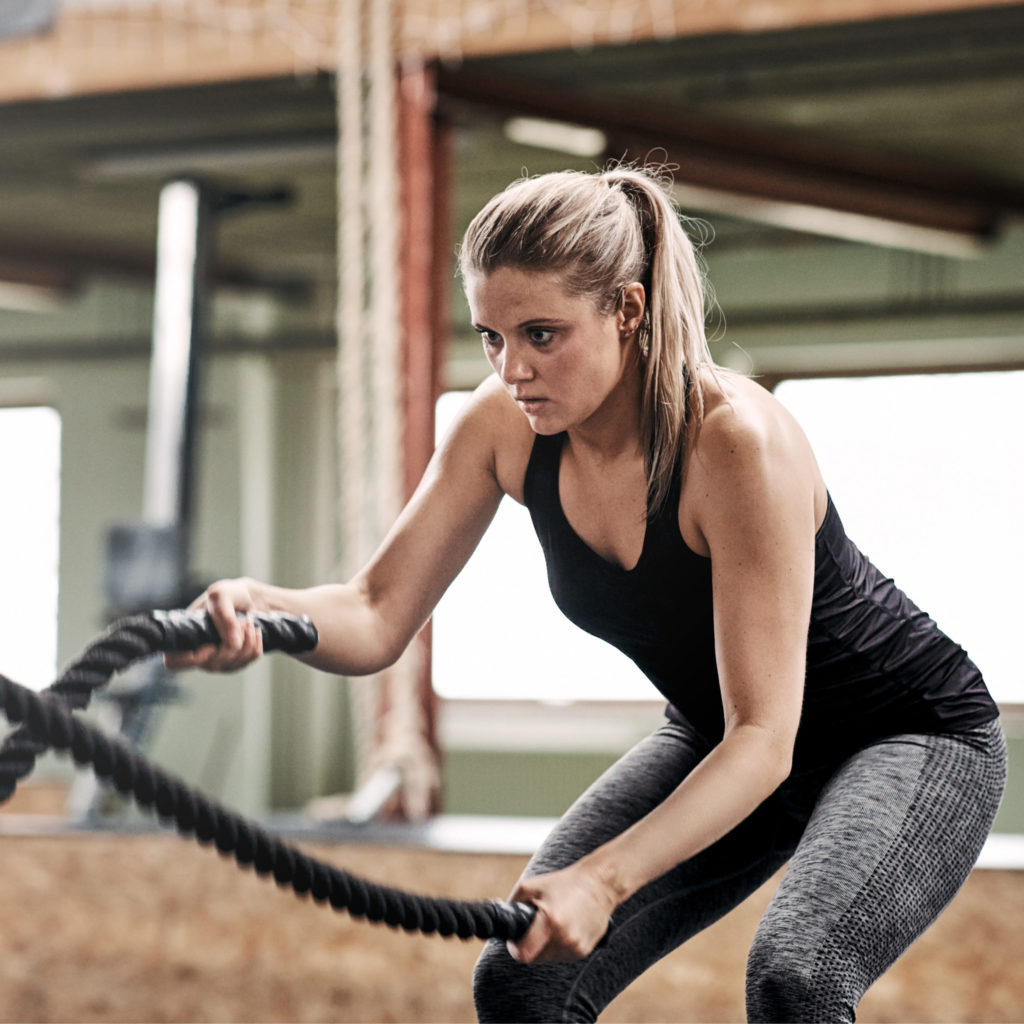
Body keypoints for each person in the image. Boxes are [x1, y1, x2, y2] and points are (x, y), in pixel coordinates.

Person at [167, 166, 1006, 1023]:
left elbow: (765, 740)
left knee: (796, 980)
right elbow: (377, 613)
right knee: (521, 981)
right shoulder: (503, 425)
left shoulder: (734, 444)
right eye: (491, 337)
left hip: (907, 735)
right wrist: (260, 615)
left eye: (541, 334)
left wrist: (603, 881)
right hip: (722, 734)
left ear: (629, 312)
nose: (512, 368)